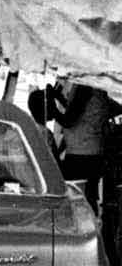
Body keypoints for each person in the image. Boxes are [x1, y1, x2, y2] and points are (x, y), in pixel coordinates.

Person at [52, 82, 114, 215]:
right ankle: (93, 230)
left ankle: (87, 232)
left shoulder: (85, 87)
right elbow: (79, 112)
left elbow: (69, 120)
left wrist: (53, 111)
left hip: (81, 153)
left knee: (77, 199)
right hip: (91, 150)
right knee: (88, 198)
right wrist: (58, 97)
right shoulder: (95, 86)